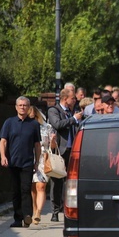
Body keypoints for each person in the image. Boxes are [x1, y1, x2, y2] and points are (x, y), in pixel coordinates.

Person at [0, 96, 41, 228]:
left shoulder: (34, 124)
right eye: (20, 105)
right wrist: (3, 156)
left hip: (27, 162)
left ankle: (27, 215)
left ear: (29, 107)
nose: (23, 107)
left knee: (26, 189)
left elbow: (37, 145)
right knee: (16, 191)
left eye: (25, 105)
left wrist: (37, 161)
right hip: (13, 161)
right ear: (16, 107)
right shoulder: (9, 122)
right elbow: (3, 141)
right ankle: (18, 218)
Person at [48, 89, 83, 222]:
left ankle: (70, 208)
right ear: (65, 98)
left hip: (73, 150)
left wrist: (76, 119)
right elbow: (57, 124)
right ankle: (55, 211)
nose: (74, 100)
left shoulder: (72, 111)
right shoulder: (54, 110)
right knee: (57, 181)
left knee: (72, 181)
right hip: (60, 151)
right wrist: (74, 119)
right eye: (73, 98)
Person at [29, 106, 56, 225]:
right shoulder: (26, 127)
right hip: (29, 157)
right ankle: (34, 210)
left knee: (41, 186)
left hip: (43, 158)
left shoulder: (47, 127)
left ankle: (38, 212)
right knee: (33, 188)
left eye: (34, 117)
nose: (32, 120)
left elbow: (52, 147)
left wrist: (53, 140)